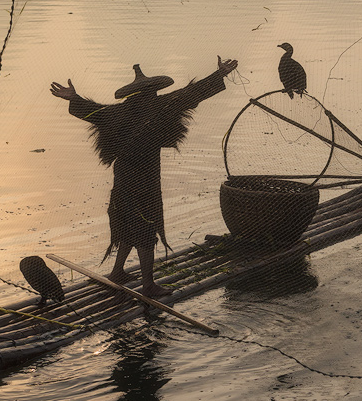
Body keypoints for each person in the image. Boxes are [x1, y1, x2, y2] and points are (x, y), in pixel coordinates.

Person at [50, 57, 238, 297]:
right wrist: (219, 74)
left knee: (126, 219)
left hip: (123, 176)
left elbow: (92, 111)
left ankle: (118, 272)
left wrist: (74, 97)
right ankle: (148, 285)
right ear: (151, 92)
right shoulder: (161, 106)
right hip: (145, 179)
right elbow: (193, 93)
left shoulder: (117, 113)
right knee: (146, 226)